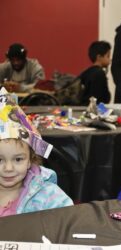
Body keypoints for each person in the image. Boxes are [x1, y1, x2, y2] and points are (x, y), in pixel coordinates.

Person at [0, 88, 73, 217]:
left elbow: (69, 219)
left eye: (18, 159)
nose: (8, 168)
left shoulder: (46, 195)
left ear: (30, 160)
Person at [79, 41, 111, 105]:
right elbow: (102, 98)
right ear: (99, 57)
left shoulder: (86, 72)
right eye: (108, 56)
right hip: (93, 110)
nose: (110, 59)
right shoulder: (100, 74)